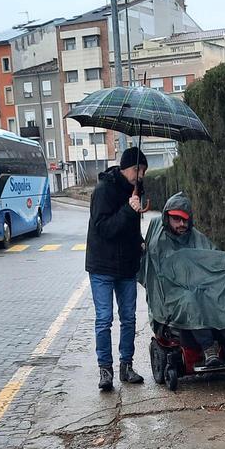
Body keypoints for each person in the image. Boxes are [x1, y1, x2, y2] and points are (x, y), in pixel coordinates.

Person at [140, 192, 225, 367]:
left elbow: (213, 257)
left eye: (185, 220)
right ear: (167, 217)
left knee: (216, 294)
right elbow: (153, 268)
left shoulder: (194, 236)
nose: (182, 224)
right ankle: (208, 348)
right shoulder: (158, 238)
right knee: (190, 300)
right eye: (176, 219)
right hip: (169, 293)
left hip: (197, 287)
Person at [86, 146, 148, 391]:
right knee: (103, 319)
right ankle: (105, 370)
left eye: (143, 170)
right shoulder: (104, 190)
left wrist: (139, 240)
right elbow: (104, 229)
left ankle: (126, 366)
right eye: (138, 169)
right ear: (126, 168)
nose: (141, 174)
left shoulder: (135, 191)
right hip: (102, 265)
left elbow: (129, 228)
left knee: (129, 318)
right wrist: (127, 209)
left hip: (126, 266)